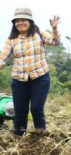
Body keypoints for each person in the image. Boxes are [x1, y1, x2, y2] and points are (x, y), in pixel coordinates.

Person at [0, 8, 61, 137]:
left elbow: (55, 42)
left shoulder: (38, 33)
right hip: (19, 80)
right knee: (20, 111)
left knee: (36, 108)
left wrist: (54, 29)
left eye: (23, 20)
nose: (20, 23)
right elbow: (2, 58)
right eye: (17, 21)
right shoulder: (11, 39)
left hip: (40, 78)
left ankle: (41, 137)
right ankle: (19, 138)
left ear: (30, 21)